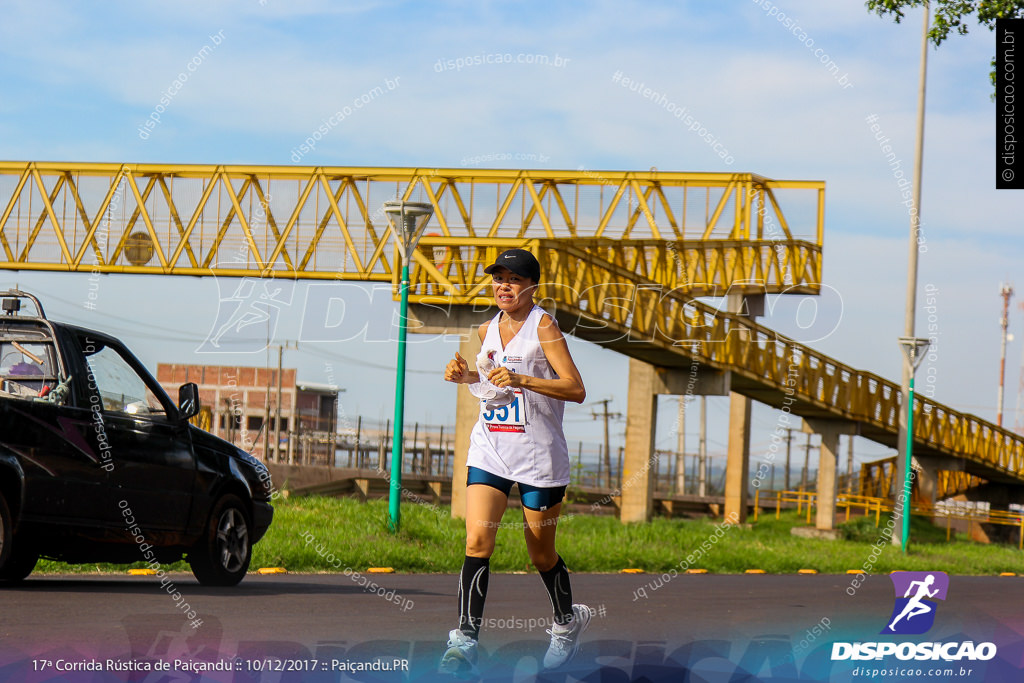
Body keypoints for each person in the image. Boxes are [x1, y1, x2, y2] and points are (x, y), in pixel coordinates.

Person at [439, 248, 592, 675]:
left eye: (513, 279)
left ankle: (567, 622)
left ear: (532, 287)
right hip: (491, 448)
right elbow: (490, 384)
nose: (503, 286)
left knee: (540, 554)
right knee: (476, 543)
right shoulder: (486, 328)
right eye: (498, 278)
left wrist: (523, 378)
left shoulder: (544, 327)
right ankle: (464, 641)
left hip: (538, 458)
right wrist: (465, 376)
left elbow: (576, 389)